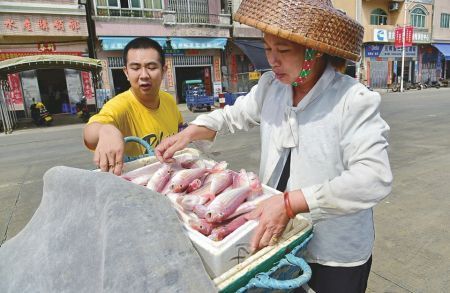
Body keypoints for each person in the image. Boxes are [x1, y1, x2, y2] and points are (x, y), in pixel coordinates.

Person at [155, 0, 392, 292]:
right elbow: (231, 115)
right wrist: (190, 132)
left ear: (314, 50)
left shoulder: (353, 100)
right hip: (278, 236)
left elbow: (373, 178)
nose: (272, 61)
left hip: (335, 251)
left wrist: (290, 203)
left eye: (283, 51)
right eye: (268, 49)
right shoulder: (271, 87)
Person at [84, 37, 184, 175]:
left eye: (152, 67)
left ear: (164, 70)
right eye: (136, 68)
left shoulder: (168, 100)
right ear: (126, 72)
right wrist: (105, 131)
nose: (144, 75)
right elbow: (91, 133)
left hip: (170, 179)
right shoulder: (119, 106)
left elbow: (180, 128)